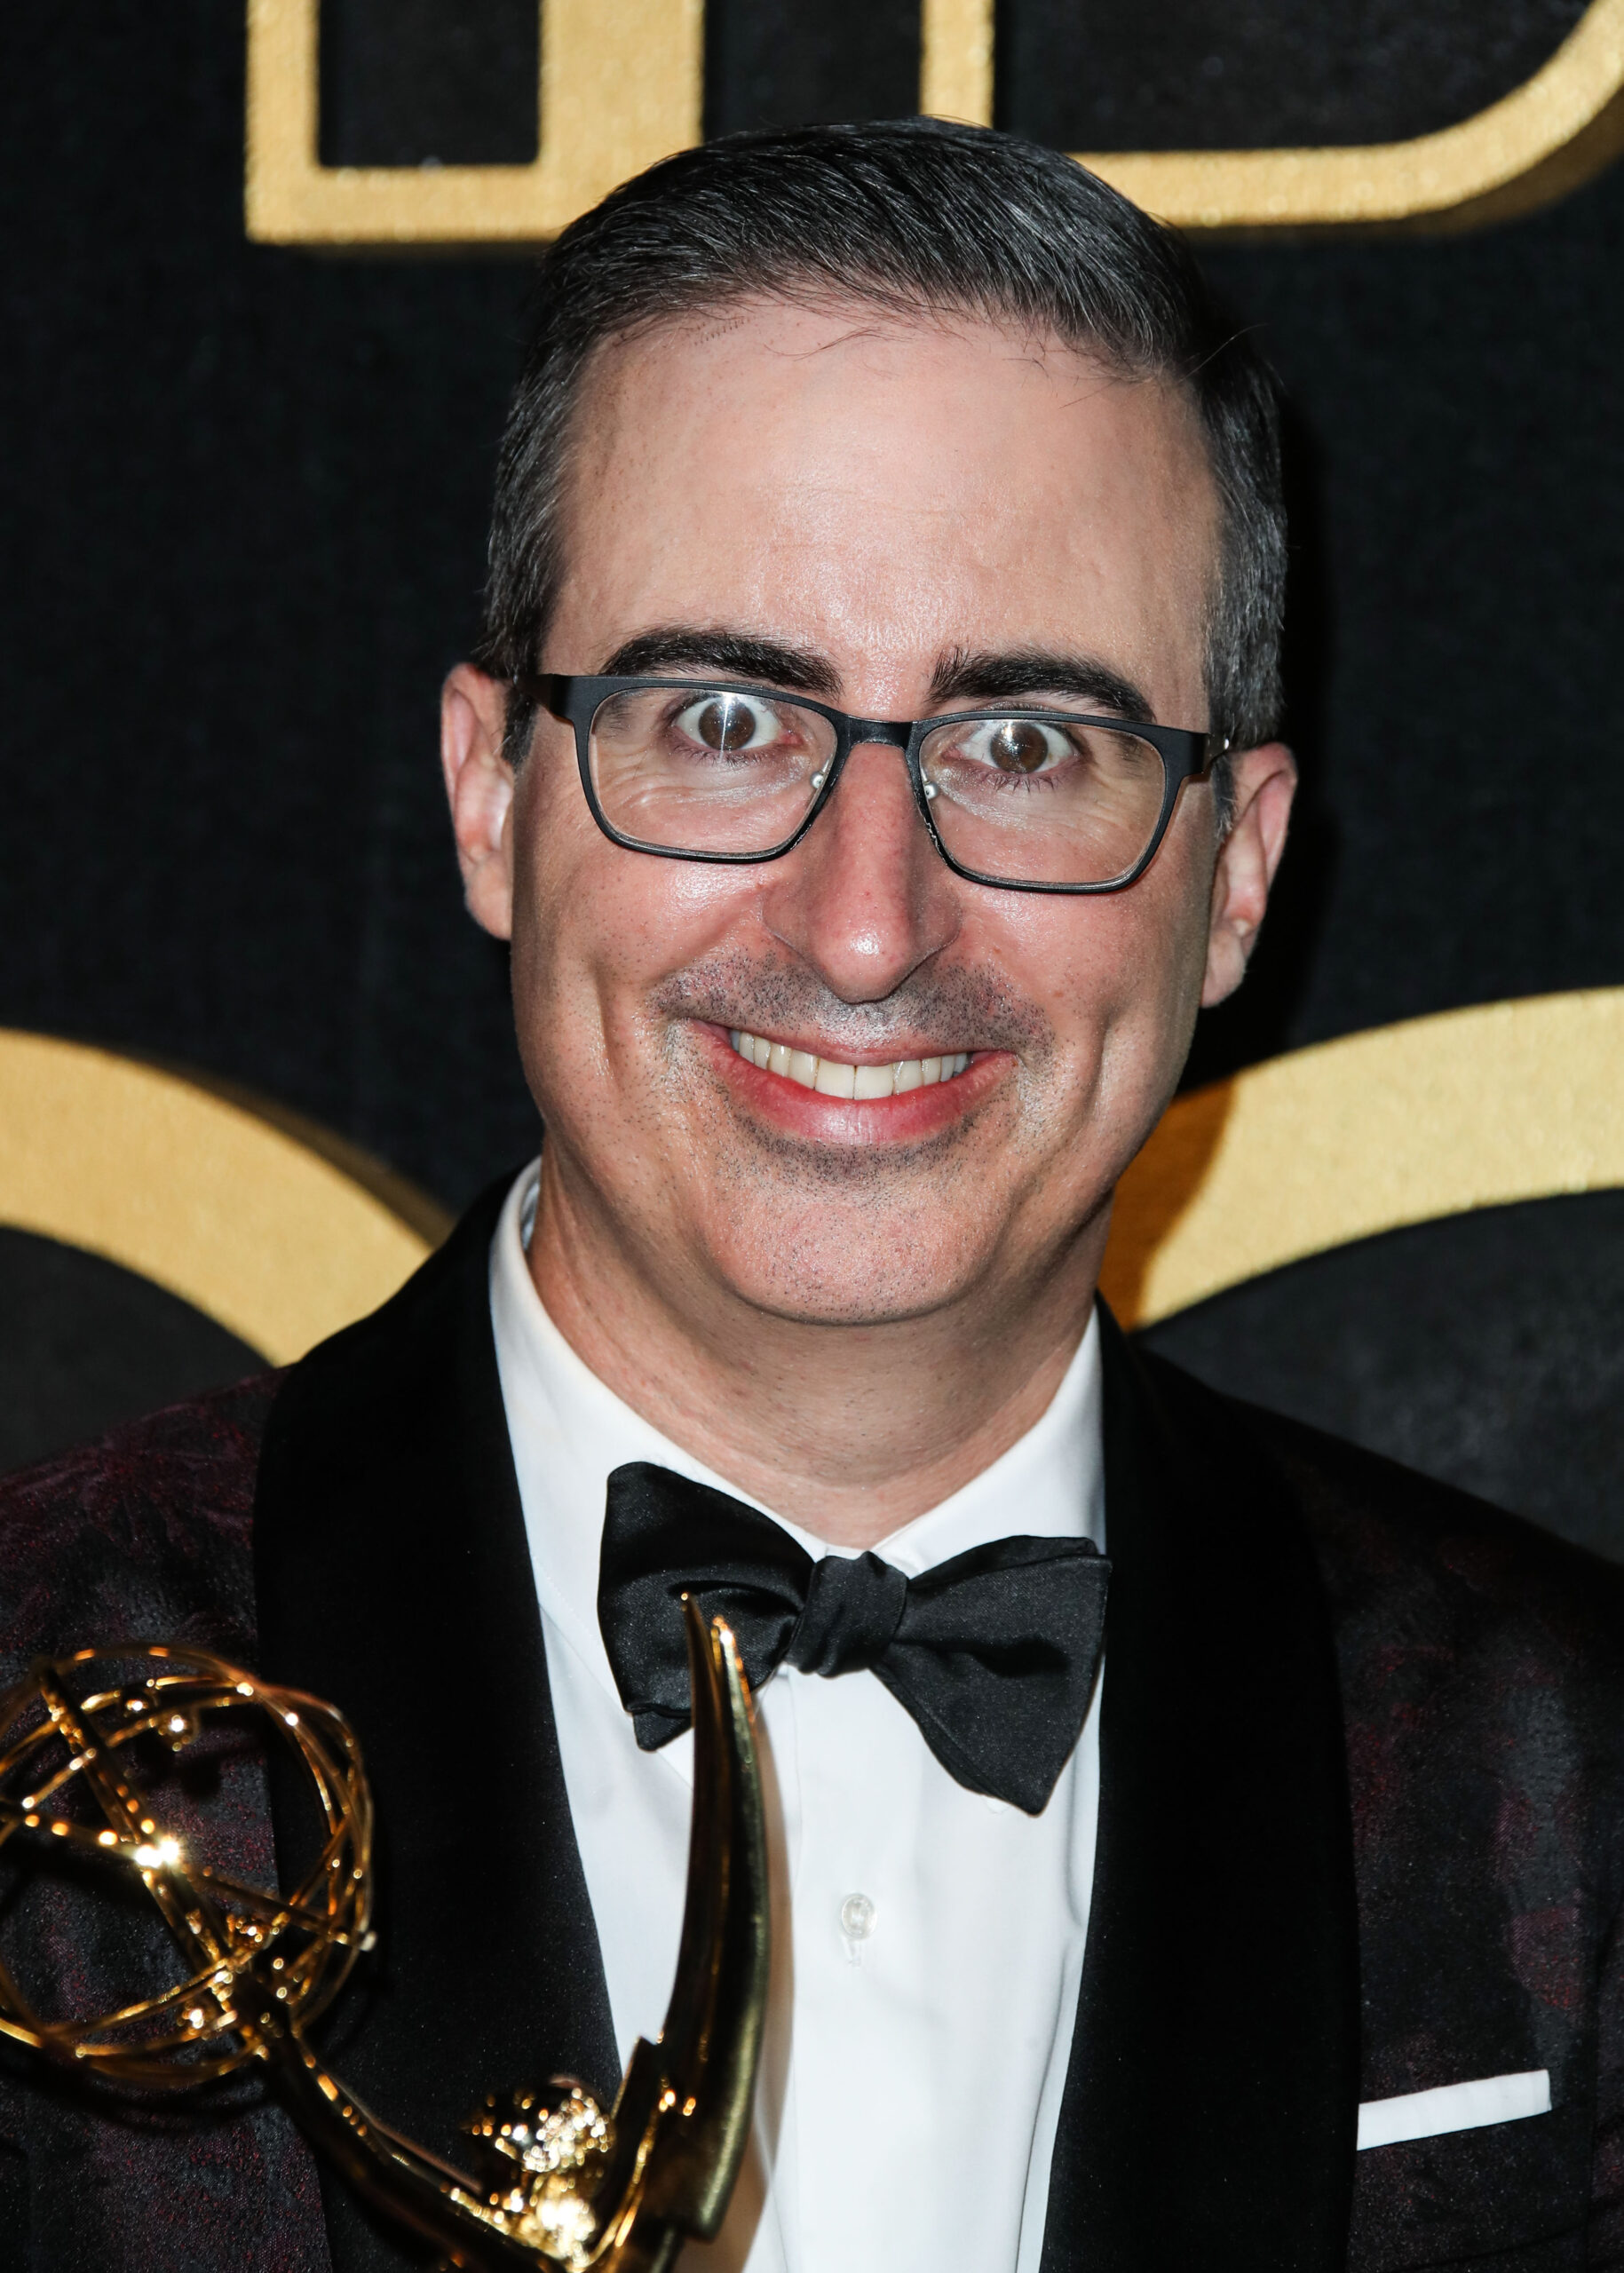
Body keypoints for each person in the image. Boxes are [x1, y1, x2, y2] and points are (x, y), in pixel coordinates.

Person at [2, 119, 1621, 2273]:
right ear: (493, 796)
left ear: (1234, 873)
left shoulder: (1574, 1766)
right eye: (723, 717)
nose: (867, 925)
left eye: (1024, 743)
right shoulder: (29, 1694)